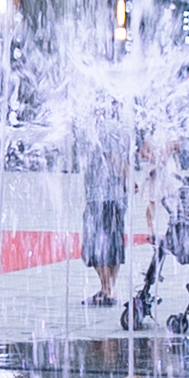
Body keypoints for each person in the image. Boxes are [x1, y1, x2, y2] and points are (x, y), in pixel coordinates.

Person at [80, 110, 131, 309]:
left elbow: (115, 159)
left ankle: (106, 289)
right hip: (114, 196)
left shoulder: (104, 128)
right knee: (113, 243)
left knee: (96, 244)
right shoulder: (120, 127)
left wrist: (125, 177)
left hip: (102, 196)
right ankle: (109, 288)